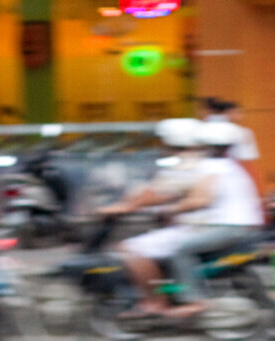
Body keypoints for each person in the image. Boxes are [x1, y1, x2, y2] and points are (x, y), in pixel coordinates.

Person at [101, 119, 264, 319]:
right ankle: (169, 294)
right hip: (222, 225)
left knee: (139, 249)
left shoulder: (206, 165)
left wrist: (161, 208)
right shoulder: (221, 164)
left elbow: (189, 196)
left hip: (217, 226)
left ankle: (169, 301)